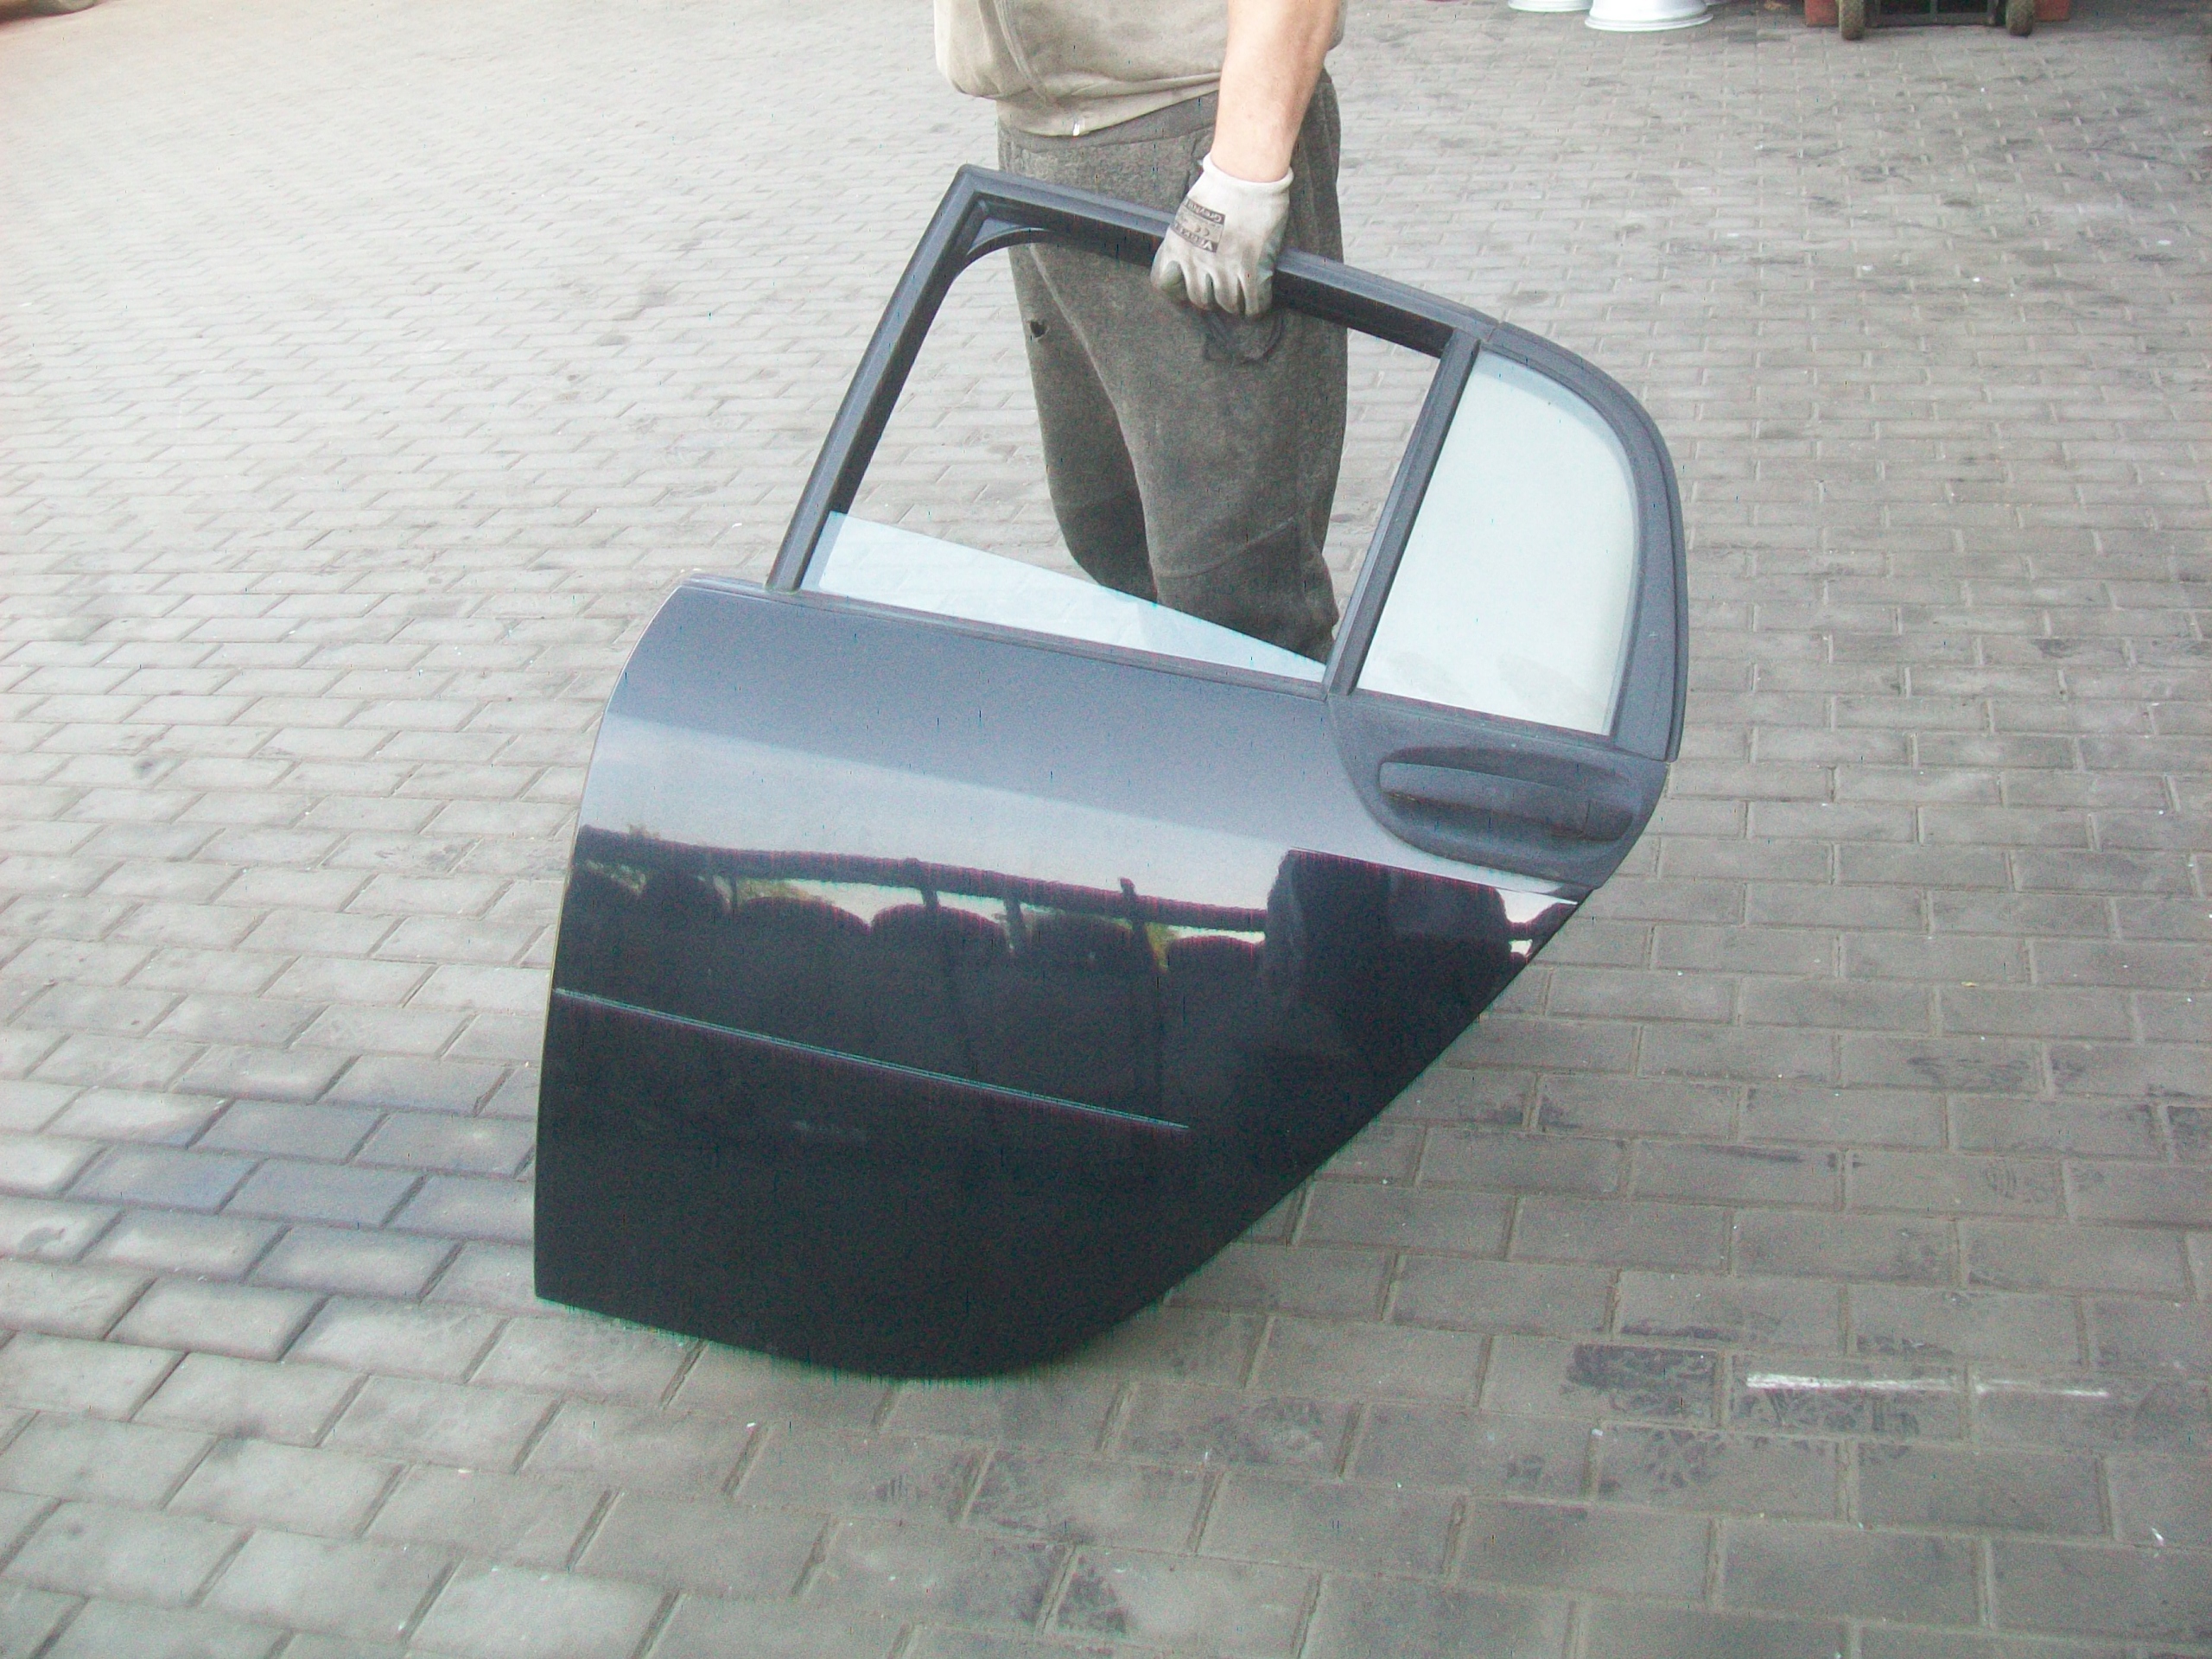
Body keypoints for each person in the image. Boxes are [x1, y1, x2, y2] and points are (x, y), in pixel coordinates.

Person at [933, 0, 1349, 659]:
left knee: (1235, 596)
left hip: (1192, 136)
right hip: (1044, 134)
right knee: (1110, 533)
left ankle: (1260, 723)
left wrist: (1246, 167)